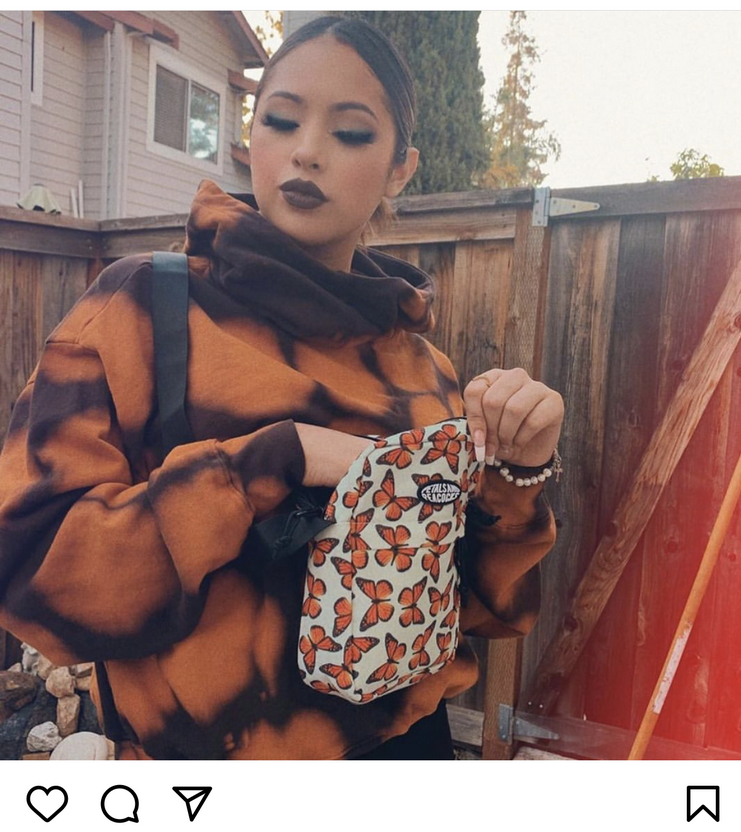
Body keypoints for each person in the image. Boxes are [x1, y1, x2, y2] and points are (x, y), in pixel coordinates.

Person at [0, 15, 563, 760]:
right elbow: (29, 572)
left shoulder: (426, 372)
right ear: (252, 134)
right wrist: (268, 464)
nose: (307, 150)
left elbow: (487, 612)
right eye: (281, 120)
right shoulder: (142, 311)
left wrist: (519, 472)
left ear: (400, 169)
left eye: (351, 133)